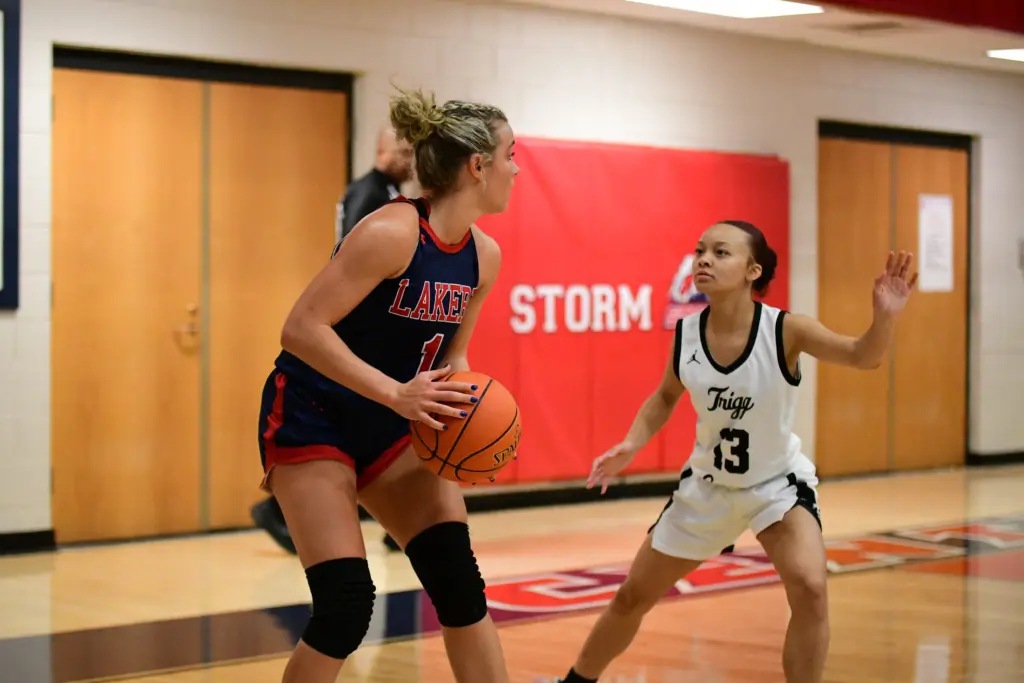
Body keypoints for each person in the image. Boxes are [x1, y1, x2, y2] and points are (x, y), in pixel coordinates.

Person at [556, 221, 917, 683]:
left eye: (720, 252)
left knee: (810, 588)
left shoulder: (786, 330)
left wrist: (884, 317)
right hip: (708, 488)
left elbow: (863, 356)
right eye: (700, 251)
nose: (704, 259)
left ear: (752, 270)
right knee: (631, 597)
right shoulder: (687, 333)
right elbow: (665, 396)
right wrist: (632, 443)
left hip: (776, 486)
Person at [256, 85, 519, 683]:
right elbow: (301, 328)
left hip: (394, 423)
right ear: (478, 166)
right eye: (511, 155)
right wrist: (396, 393)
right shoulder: (392, 232)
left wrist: (469, 417)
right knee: (346, 607)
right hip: (314, 414)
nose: (517, 168)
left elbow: (453, 356)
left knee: (459, 585)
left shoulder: (484, 257)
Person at [251, 124, 415, 555]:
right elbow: (352, 254)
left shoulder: (383, 193)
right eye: (401, 150)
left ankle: (395, 520)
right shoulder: (371, 195)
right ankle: (280, 509)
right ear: (381, 150)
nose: (408, 159)